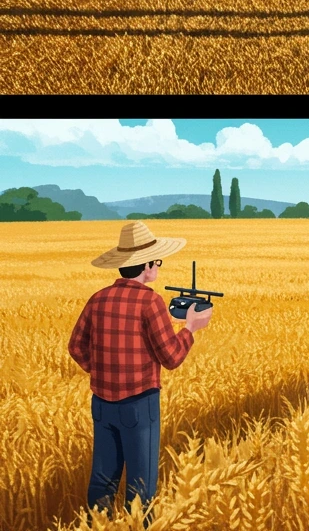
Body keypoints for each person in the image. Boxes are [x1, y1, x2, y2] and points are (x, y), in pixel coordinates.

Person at [68, 221, 213, 525]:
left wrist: (103, 372)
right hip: (139, 405)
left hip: (101, 404)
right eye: (156, 262)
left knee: (103, 479)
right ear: (146, 267)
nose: (157, 267)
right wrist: (190, 328)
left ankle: (99, 525)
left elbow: (76, 347)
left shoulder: (98, 299)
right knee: (141, 484)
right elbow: (171, 357)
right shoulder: (151, 301)